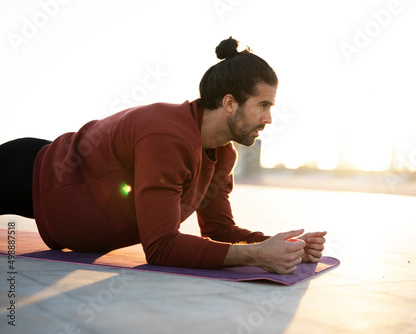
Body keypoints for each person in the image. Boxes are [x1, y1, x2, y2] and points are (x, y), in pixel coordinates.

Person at [0, 37, 327, 275]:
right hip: (28, 171)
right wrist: (256, 257)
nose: (269, 119)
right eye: (263, 105)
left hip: (58, 202)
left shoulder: (222, 155)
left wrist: (281, 246)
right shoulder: (167, 136)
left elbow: (219, 229)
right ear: (230, 103)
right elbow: (161, 247)